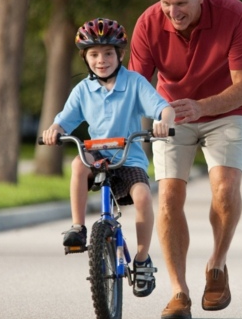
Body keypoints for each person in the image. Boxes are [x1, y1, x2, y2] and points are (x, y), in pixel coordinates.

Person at [128, 0, 242, 319]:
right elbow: (136, 88)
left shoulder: (234, 15)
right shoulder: (149, 23)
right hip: (172, 111)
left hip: (227, 110)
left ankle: (216, 265)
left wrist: (202, 107)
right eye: (166, 4)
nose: (172, 12)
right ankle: (179, 292)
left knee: (225, 187)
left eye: (181, 3)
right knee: (168, 196)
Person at [41, 17, 175, 298]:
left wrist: (163, 121)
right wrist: (54, 130)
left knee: (142, 197)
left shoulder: (134, 83)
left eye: (107, 53)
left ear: (120, 55)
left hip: (128, 158)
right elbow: (63, 121)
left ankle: (141, 260)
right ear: (85, 58)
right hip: (98, 156)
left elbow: (163, 107)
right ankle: (78, 227)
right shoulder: (83, 91)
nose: (101, 60)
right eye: (94, 54)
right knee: (79, 162)